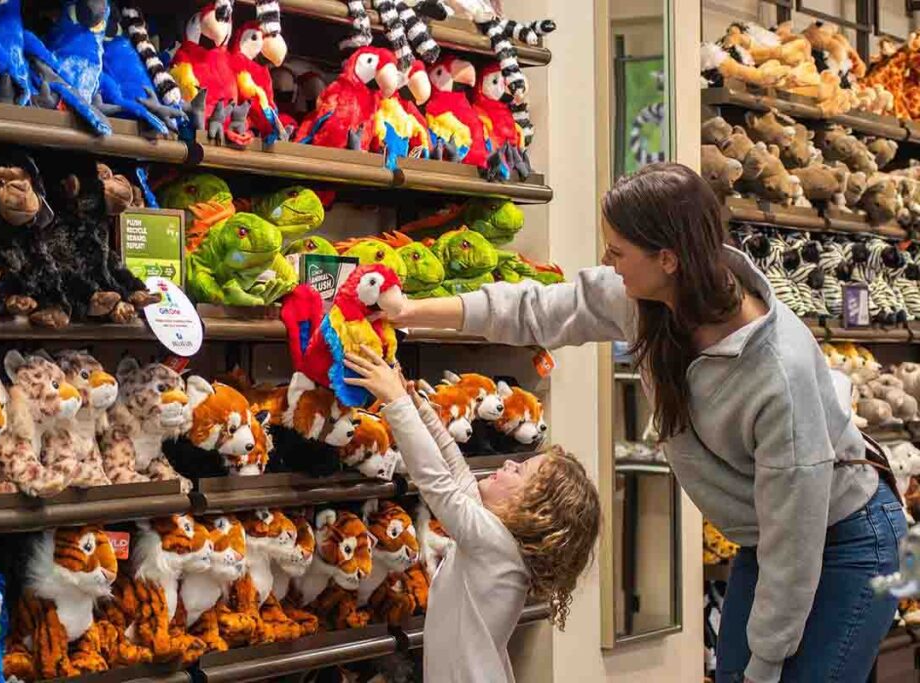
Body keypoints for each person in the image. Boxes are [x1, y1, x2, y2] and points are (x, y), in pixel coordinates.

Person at [380, 162, 908, 683]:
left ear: (668, 258)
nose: (608, 264)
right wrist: (409, 311)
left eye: (618, 252)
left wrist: (764, 668)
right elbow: (537, 309)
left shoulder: (776, 372)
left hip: (849, 536)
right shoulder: (648, 297)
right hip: (770, 534)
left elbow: (794, 548)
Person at [343, 346, 600, 683]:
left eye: (519, 472)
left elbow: (438, 483)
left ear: (533, 510)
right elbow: (454, 467)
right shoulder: (496, 539)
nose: (508, 463)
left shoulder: (495, 546)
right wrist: (420, 406)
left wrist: (397, 404)